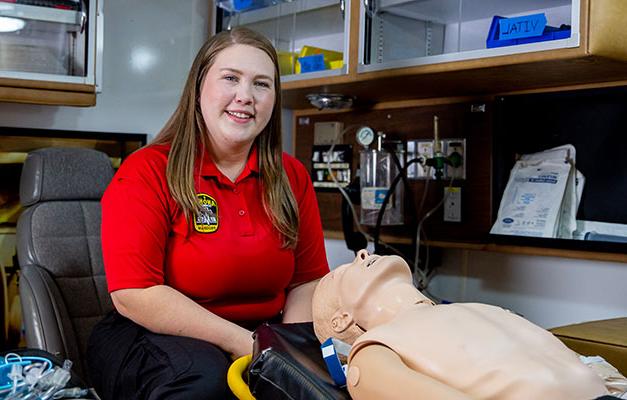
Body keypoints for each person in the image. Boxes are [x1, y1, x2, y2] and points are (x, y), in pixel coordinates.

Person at [87, 27, 329, 399]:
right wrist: (250, 345)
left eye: (261, 84)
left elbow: (307, 281)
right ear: (199, 86)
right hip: (152, 335)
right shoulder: (147, 170)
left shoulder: (291, 176)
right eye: (230, 78)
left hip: (259, 333)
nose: (245, 96)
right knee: (206, 382)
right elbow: (135, 293)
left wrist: (290, 351)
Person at [312, 250, 611, 400]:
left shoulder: (476, 308)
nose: (362, 254)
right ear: (342, 320)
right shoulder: (374, 350)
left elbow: (590, 367)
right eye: (342, 271)